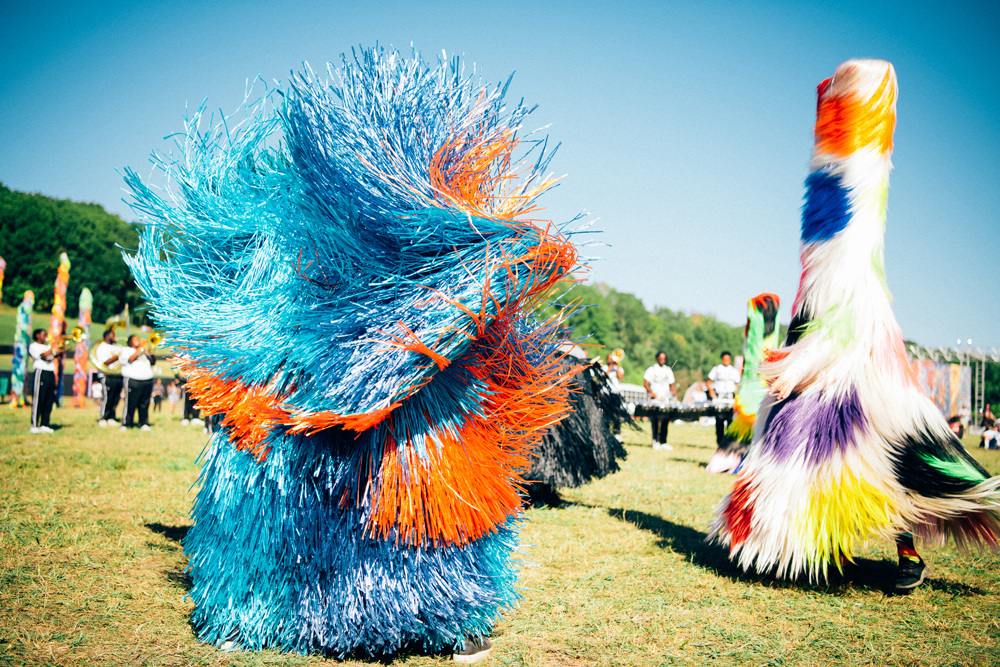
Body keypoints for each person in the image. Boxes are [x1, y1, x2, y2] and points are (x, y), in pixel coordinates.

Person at [120, 334, 155, 431]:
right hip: (133, 380)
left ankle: (143, 422)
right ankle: (126, 423)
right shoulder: (126, 350)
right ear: (130, 341)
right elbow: (130, 359)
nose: (138, 341)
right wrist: (140, 348)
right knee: (130, 403)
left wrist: (148, 352)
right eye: (136, 339)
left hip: (147, 380)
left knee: (144, 403)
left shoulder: (144, 351)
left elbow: (153, 362)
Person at [28, 328, 60, 433]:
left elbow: (55, 356)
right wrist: (52, 347)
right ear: (37, 335)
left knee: (49, 399)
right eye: (44, 334)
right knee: (39, 399)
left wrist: (58, 348)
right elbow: (43, 356)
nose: (46, 336)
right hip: (40, 372)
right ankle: (34, 425)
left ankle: (45, 424)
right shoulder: (34, 346)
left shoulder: (47, 346)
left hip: (50, 372)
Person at [643, 351, 677, 450]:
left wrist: (673, 395)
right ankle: (655, 440)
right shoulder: (651, 369)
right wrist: (652, 393)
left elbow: (672, 385)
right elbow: (646, 384)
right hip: (655, 399)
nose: (662, 360)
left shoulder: (668, 370)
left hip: (665, 399)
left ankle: (663, 441)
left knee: (665, 420)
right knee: (655, 420)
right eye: (660, 358)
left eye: (664, 358)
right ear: (657, 359)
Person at [707, 351, 741, 447]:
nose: (726, 361)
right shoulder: (717, 369)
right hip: (720, 397)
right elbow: (709, 382)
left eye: (728, 359)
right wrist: (711, 391)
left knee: (730, 420)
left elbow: (738, 384)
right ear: (722, 359)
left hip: (730, 397)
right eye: (724, 359)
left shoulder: (733, 371)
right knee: (719, 420)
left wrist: (736, 395)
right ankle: (720, 442)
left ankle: (729, 442)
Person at [93, 328, 123, 427]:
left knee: (116, 398)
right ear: (107, 336)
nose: (115, 337)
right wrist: (118, 356)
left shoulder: (117, 347)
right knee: (107, 397)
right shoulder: (102, 347)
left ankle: (111, 417)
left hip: (118, 375)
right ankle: (103, 417)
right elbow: (105, 362)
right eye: (113, 335)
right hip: (107, 375)